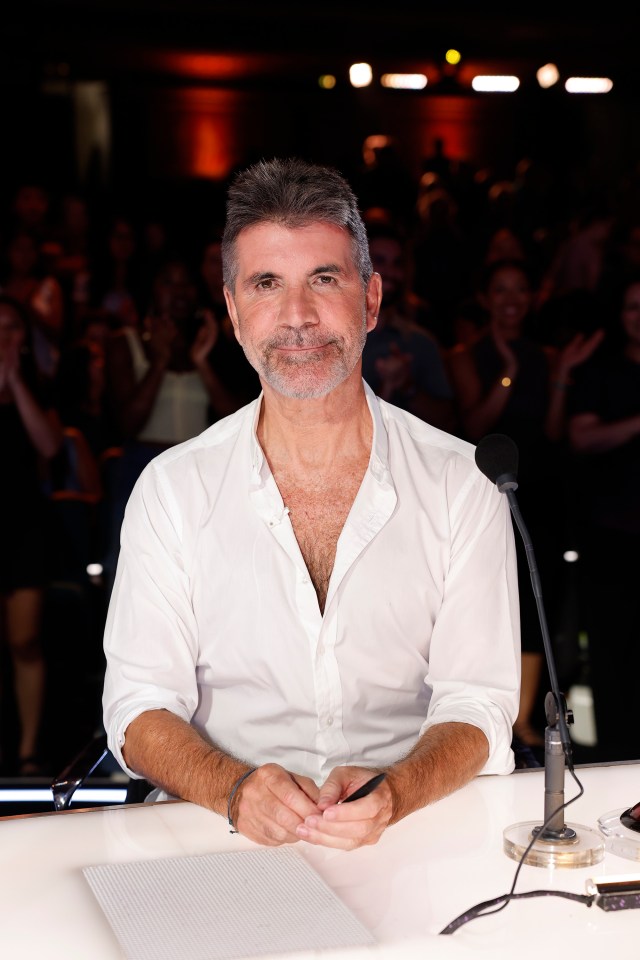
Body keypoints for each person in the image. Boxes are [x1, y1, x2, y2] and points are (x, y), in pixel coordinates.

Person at [103, 157, 521, 851]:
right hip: (218, 834)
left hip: (416, 835)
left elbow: (477, 702)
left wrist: (396, 793)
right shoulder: (175, 489)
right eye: (267, 284)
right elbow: (139, 705)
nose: (296, 316)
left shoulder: (460, 481)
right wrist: (232, 788)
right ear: (235, 311)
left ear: (372, 299)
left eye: (323, 279)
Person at [447, 258, 604, 748]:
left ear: (531, 297)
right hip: (489, 491)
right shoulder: (464, 355)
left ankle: (523, 723)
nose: (511, 299)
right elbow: (475, 426)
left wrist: (558, 376)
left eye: (520, 289)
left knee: (538, 599)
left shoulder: (547, 354)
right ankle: (486, 716)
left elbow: (556, 431)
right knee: (493, 597)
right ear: (488, 298)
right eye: (501, 290)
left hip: (542, 490)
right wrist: (509, 374)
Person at [568, 276, 640, 761]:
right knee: (614, 657)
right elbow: (581, 437)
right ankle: (618, 766)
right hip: (613, 536)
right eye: (633, 305)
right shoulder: (603, 372)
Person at [0, 294, 62, 774]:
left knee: (26, 640)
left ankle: (28, 752)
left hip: (23, 524)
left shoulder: (38, 385)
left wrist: (15, 381)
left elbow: (48, 444)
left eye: (13, 328)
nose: (5, 336)